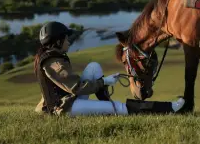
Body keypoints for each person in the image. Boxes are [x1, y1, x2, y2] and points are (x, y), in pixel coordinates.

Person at [34, 21, 185, 116]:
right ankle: (169, 107)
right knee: (120, 108)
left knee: (94, 67)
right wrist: (104, 81)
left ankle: (106, 104)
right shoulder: (53, 62)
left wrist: (104, 81)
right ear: (58, 41)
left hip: (68, 100)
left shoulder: (52, 56)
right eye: (66, 38)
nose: (69, 41)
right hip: (64, 109)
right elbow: (77, 87)